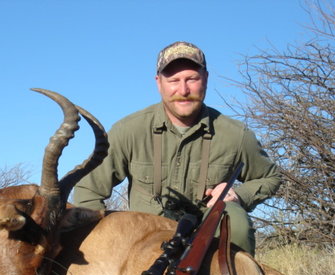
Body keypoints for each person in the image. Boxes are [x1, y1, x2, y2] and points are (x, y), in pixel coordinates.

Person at [73, 41, 281, 255]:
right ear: (159, 83)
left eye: (192, 79)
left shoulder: (236, 135)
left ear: (206, 79)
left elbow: (271, 177)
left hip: (209, 242)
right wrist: (109, 242)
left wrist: (238, 195)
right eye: (173, 80)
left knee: (234, 219)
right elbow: (88, 190)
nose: (183, 90)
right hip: (144, 242)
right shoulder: (129, 130)